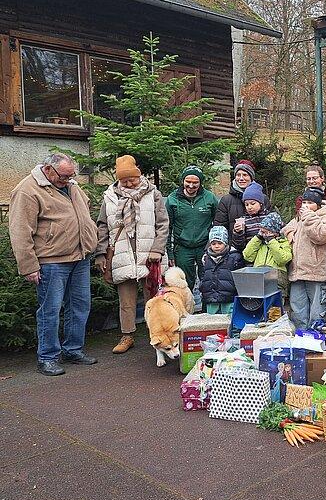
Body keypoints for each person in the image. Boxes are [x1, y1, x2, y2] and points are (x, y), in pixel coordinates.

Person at [9, 154, 99, 376]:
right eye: (64, 176)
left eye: (71, 175)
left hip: (80, 257)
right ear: (48, 170)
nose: (68, 180)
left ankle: (73, 350)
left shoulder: (71, 185)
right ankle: (47, 357)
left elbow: (83, 213)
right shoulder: (27, 190)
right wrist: (29, 266)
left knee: (80, 306)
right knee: (50, 310)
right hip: (51, 261)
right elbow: (20, 231)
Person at [95, 155, 169, 355]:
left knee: (154, 298)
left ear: (139, 175)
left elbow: (163, 223)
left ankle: (157, 332)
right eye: (124, 180)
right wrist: (101, 253)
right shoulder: (110, 197)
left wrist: (157, 249)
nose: (128, 183)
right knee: (126, 301)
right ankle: (127, 335)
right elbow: (102, 226)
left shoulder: (153, 193)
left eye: (132, 179)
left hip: (149, 254)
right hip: (122, 254)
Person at [283, 187, 326, 327]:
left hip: (316, 272)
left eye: (309, 203)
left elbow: (322, 235)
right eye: (304, 202)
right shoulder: (300, 218)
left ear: (318, 204)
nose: (305, 206)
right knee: (297, 309)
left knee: (317, 310)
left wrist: (308, 216)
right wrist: (289, 233)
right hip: (297, 272)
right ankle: (300, 339)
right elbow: (286, 228)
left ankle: (316, 339)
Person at [165, 165, 218, 290]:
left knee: (208, 279)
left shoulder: (209, 198)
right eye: (188, 182)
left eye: (195, 182)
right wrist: (170, 254)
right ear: (182, 181)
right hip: (182, 247)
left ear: (200, 183)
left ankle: (207, 308)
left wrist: (214, 244)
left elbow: (218, 222)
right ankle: (186, 308)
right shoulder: (172, 199)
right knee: (184, 282)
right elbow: (167, 228)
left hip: (205, 246)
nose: (191, 185)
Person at [242, 212, 292, 299]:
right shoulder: (260, 243)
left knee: (275, 309)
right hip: (258, 281)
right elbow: (247, 256)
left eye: (267, 232)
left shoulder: (284, 242)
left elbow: (282, 260)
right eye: (262, 231)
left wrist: (271, 241)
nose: (264, 234)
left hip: (277, 281)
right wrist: (257, 238)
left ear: (275, 231)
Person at [199, 226, 245, 314]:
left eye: (219, 243)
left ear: (225, 242)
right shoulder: (206, 258)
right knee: (212, 323)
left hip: (228, 297)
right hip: (211, 297)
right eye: (213, 243)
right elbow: (203, 276)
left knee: (228, 321)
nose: (216, 246)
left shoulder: (234, 257)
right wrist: (203, 287)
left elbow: (240, 278)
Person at [214, 159, 256, 237]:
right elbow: (219, 228)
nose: (241, 178)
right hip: (233, 247)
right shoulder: (226, 201)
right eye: (238, 175)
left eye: (245, 175)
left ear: (251, 177)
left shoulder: (262, 198)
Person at [231, 182, 268, 252]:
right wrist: (238, 232)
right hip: (251, 257)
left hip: (268, 256)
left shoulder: (270, 217)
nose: (249, 207)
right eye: (246, 204)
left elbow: (281, 232)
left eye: (253, 203)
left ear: (261, 203)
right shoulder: (244, 221)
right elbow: (239, 246)